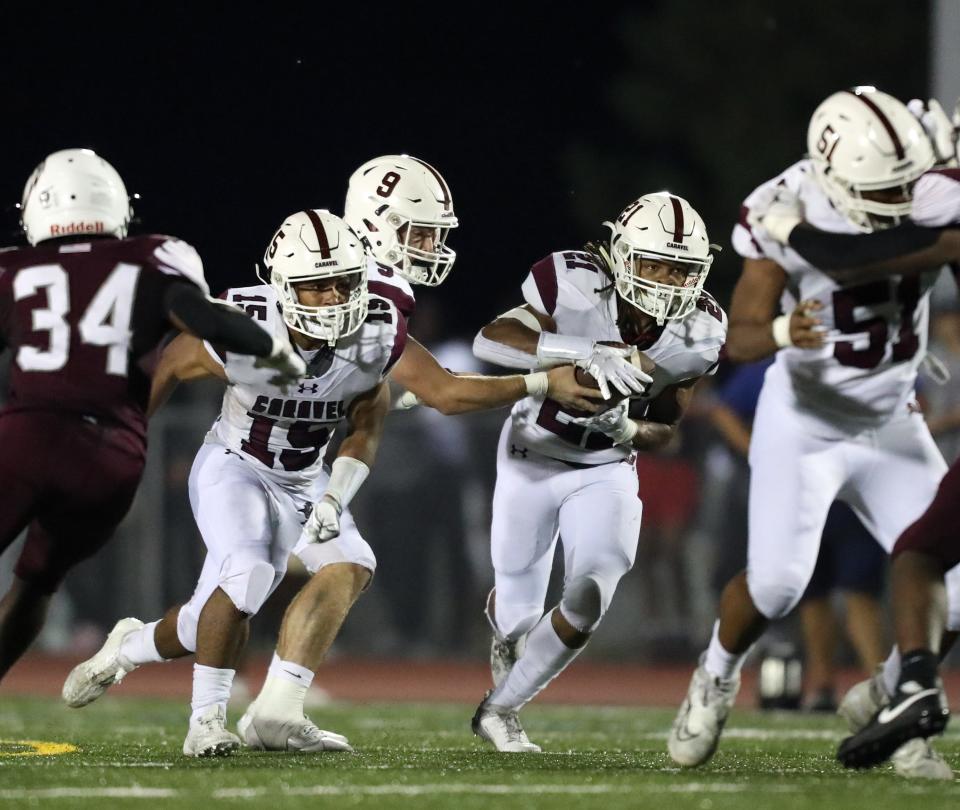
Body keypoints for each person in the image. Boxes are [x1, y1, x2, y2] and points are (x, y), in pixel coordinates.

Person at [61, 206, 599, 757]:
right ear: (282, 286)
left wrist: (537, 382)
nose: (331, 297)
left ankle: (255, 701)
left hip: (307, 477)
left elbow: (431, 397)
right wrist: (121, 441)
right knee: (246, 577)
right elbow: (171, 363)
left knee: (346, 567)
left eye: (343, 283)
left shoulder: (375, 331)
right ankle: (206, 722)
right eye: (315, 286)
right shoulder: (247, 326)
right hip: (235, 465)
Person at [667, 87, 960, 781]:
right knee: (775, 585)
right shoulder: (780, 207)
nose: (900, 201)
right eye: (883, 189)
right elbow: (737, 338)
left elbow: (887, 253)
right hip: (804, 421)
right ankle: (715, 674)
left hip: (891, 419)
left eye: (905, 185)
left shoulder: (925, 180)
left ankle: (893, 700)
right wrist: (777, 332)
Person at [0, 148, 305, 685]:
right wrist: (272, 349)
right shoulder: (151, 256)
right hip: (111, 458)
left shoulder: (13, 268)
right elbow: (203, 316)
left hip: (30, 435)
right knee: (37, 583)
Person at [470, 192, 726, 751]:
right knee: (517, 617)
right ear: (622, 254)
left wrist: (626, 431)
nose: (665, 281)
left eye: (681, 269)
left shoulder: (700, 330)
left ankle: (501, 708)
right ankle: (509, 634)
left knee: (592, 588)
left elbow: (666, 427)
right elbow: (490, 339)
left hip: (605, 464)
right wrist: (586, 349)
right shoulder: (574, 282)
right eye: (654, 263)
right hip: (530, 455)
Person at [746, 139, 960, 771]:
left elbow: (851, 261)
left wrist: (786, 225)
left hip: (880, 423)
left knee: (919, 556)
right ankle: (895, 689)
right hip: (837, 424)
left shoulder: (944, 206)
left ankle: (911, 686)